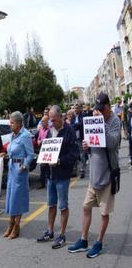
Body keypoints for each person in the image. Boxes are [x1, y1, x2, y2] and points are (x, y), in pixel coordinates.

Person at [68, 93, 121, 258]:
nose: (99, 112)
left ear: (108, 105)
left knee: (104, 213)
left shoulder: (114, 121)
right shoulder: (94, 119)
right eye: (97, 109)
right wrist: (86, 145)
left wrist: (102, 125)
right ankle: (83, 240)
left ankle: (98, 242)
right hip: (94, 175)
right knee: (86, 207)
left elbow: (112, 143)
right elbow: (93, 145)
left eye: (102, 109)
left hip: (107, 175)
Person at [35, 106, 79, 249]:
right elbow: (46, 149)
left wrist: (59, 161)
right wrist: (43, 158)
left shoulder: (69, 131)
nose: (51, 123)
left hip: (62, 175)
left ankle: (62, 234)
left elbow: (74, 154)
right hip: (51, 175)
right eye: (50, 120)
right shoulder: (49, 132)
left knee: (63, 206)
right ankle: (50, 231)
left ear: (61, 117)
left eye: (54, 120)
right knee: (51, 204)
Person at [4, 111, 35, 240]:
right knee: (11, 196)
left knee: (18, 198)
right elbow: (12, 151)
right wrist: (5, 155)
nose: (10, 125)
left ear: (18, 123)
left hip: (20, 169)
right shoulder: (13, 135)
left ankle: (16, 226)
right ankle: (10, 224)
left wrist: (25, 165)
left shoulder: (25, 135)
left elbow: (31, 154)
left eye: (11, 123)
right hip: (12, 167)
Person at [35, 115, 51, 189]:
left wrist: (41, 141)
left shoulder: (50, 130)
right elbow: (38, 138)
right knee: (42, 167)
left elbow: (49, 140)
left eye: (43, 121)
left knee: (48, 167)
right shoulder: (41, 129)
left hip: (47, 150)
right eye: (41, 121)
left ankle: (49, 182)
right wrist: (38, 140)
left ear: (47, 122)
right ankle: (42, 183)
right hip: (42, 149)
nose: (42, 122)